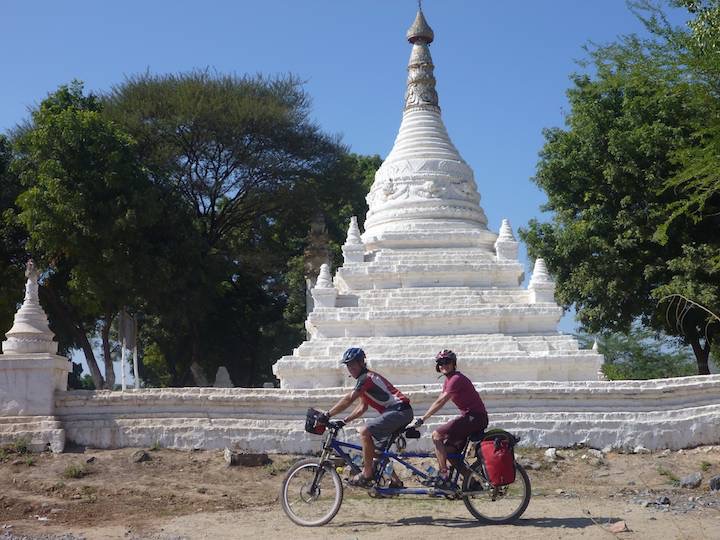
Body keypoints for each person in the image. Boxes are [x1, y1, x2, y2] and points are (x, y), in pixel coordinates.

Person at [322, 347, 413, 487]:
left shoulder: (366, 378)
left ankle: (367, 473)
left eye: (352, 364)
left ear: (361, 363)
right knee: (374, 451)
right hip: (397, 412)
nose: (350, 368)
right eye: (347, 365)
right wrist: (343, 421)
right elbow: (361, 408)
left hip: (400, 411)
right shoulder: (363, 381)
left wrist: (327, 414)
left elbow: (349, 399)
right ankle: (395, 481)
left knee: (365, 431)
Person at [411, 349, 488, 487]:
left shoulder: (455, 379)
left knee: (436, 435)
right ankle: (472, 483)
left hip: (474, 418)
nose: (443, 365)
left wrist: (423, 418)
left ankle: (443, 476)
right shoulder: (449, 380)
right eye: (440, 362)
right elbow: (440, 399)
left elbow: (441, 401)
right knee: (449, 452)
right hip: (472, 418)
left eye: (447, 362)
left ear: (454, 364)